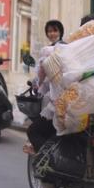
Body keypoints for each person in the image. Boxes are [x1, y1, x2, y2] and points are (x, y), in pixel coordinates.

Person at [24, 19, 66, 154]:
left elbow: (40, 77)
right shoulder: (70, 48)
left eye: (55, 30)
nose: (52, 33)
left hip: (57, 100)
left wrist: (35, 84)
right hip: (73, 99)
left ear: (60, 32)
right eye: (49, 31)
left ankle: (48, 158)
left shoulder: (47, 51)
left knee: (33, 130)